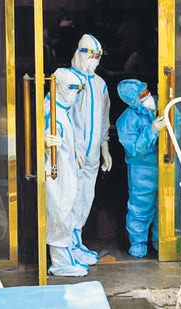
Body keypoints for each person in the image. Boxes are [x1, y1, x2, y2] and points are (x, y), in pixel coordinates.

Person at [67, 33, 113, 266]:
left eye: (97, 56)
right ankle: (66, 246)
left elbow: (103, 118)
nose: (94, 60)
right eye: (90, 55)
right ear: (80, 52)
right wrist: (71, 146)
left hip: (93, 152)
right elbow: (59, 116)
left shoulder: (100, 84)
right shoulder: (67, 80)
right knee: (70, 197)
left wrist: (105, 146)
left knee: (86, 196)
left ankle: (77, 240)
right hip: (71, 154)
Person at [44, 67, 88, 276]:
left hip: (66, 169)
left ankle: (67, 255)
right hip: (55, 171)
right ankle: (60, 263)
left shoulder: (63, 109)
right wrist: (45, 142)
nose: (74, 94)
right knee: (59, 212)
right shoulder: (51, 111)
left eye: (78, 90)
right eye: (71, 88)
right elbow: (44, 133)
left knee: (67, 210)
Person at [116, 79, 166, 258]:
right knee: (140, 206)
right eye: (142, 95)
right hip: (142, 169)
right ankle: (138, 243)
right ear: (132, 99)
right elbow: (135, 149)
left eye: (147, 92)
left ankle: (161, 242)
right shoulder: (126, 120)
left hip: (165, 164)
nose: (148, 96)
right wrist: (152, 130)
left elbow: (179, 122)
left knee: (164, 205)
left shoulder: (160, 105)